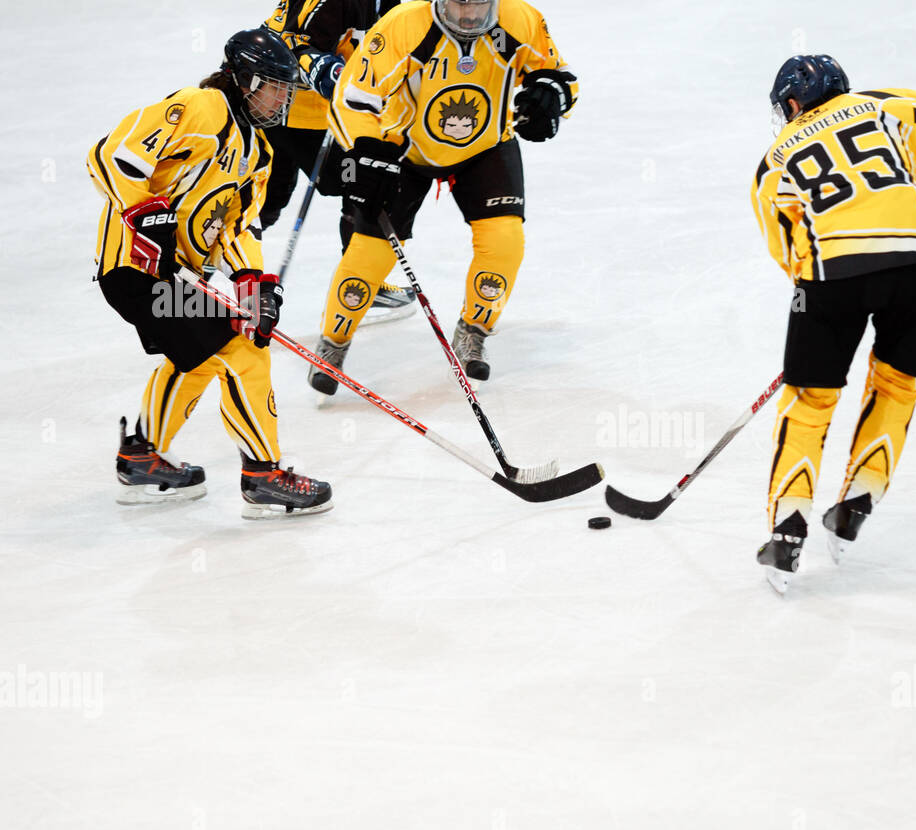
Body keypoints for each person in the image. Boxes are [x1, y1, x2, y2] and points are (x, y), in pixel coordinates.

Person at [750, 55, 916, 592]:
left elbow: (786, 249)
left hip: (832, 281)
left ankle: (788, 531)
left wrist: (815, 308)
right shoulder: (886, 105)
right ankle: (858, 500)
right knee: (896, 384)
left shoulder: (776, 157)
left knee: (810, 403)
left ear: (792, 103)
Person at [88, 26, 333, 519]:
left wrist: (252, 286)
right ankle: (263, 475)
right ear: (244, 79)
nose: (283, 98)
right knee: (244, 354)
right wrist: (145, 217)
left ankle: (142, 456)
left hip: (174, 276)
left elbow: (238, 227)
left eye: (287, 88)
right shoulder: (202, 107)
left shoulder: (258, 153)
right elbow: (113, 154)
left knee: (201, 357)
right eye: (275, 85)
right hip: (136, 271)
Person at [306, 0, 578, 393]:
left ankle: (474, 329)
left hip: (486, 147)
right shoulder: (401, 25)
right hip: (404, 149)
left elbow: (559, 74)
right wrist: (366, 150)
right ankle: (334, 340)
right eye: (458, 5)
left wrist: (550, 94)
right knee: (370, 253)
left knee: (505, 242)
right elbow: (353, 98)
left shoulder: (521, 19)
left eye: (478, 4)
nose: (468, 15)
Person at [261, 0, 417, 320]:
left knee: (357, 183)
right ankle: (214, 272)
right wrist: (324, 69)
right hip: (283, 106)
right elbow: (293, 44)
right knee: (270, 195)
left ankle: (359, 283)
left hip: (303, 109)